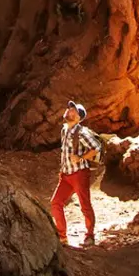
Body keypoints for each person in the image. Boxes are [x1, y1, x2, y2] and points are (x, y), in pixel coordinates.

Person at [52, 100, 102, 248]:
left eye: (73, 110)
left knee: (84, 205)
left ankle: (90, 235)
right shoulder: (64, 130)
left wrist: (81, 158)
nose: (69, 111)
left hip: (80, 174)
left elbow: (96, 147)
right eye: (69, 108)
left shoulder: (82, 132)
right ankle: (62, 237)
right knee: (56, 203)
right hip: (66, 175)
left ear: (79, 117)